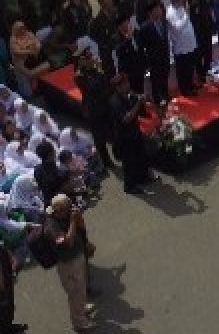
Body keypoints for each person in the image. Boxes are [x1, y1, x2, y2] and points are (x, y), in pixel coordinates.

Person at [43, 194, 96, 332]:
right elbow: (68, 243)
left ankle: (82, 308)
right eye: (68, 208)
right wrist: (73, 221)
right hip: (68, 264)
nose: (71, 210)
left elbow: (80, 231)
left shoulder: (64, 216)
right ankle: (80, 323)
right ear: (59, 210)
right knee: (75, 293)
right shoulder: (51, 226)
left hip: (77, 258)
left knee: (81, 288)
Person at [71, 50, 115, 169]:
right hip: (93, 109)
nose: (92, 60)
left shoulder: (95, 70)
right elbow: (93, 87)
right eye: (88, 58)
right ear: (82, 61)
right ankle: (106, 161)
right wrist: (100, 71)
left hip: (104, 105)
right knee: (99, 138)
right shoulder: (79, 75)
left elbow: (107, 84)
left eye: (91, 57)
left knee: (112, 130)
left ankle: (118, 153)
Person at [109, 73, 151, 195]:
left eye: (127, 83)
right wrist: (138, 103)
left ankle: (144, 177)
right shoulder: (114, 101)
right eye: (124, 84)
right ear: (118, 87)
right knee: (129, 162)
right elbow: (126, 119)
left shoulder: (129, 94)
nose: (127, 85)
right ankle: (130, 186)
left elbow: (139, 104)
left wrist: (145, 99)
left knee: (141, 155)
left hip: (135, 132)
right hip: (124, 137)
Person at [135, 1, 170, 106]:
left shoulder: (163, 22)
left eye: (160, 9)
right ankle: (158, 99)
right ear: (151, 12)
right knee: (156, 81)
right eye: (157, 9)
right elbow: (141, 47)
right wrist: (146, 62)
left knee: (165, 77)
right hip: (154, 59)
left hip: (165, 56)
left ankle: (165, 95)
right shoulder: (145, 27)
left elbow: (165, 39)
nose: (160, 11)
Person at [164, 0, 199, 96]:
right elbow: (178, 27)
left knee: (190, 67)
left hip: (189, 44)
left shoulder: (181, 7)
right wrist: (187, 14)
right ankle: (185, 89)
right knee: (183, 69)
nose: (182, 0)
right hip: (181, 47)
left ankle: (191, 84)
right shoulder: (170, 12)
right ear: (174, 0)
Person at [0, 237, 29, 333]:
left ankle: (8, 326)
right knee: (4, 307)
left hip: (5, 270)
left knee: (8, 306)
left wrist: (11, 256)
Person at [187, 0, 213, 82]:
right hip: (197, 32)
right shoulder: (190, 0)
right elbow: (192, 15)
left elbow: (208, 11)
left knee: (208, 52)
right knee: (199, 54)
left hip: (207, 29)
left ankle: (208, 71)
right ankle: (201, 74)